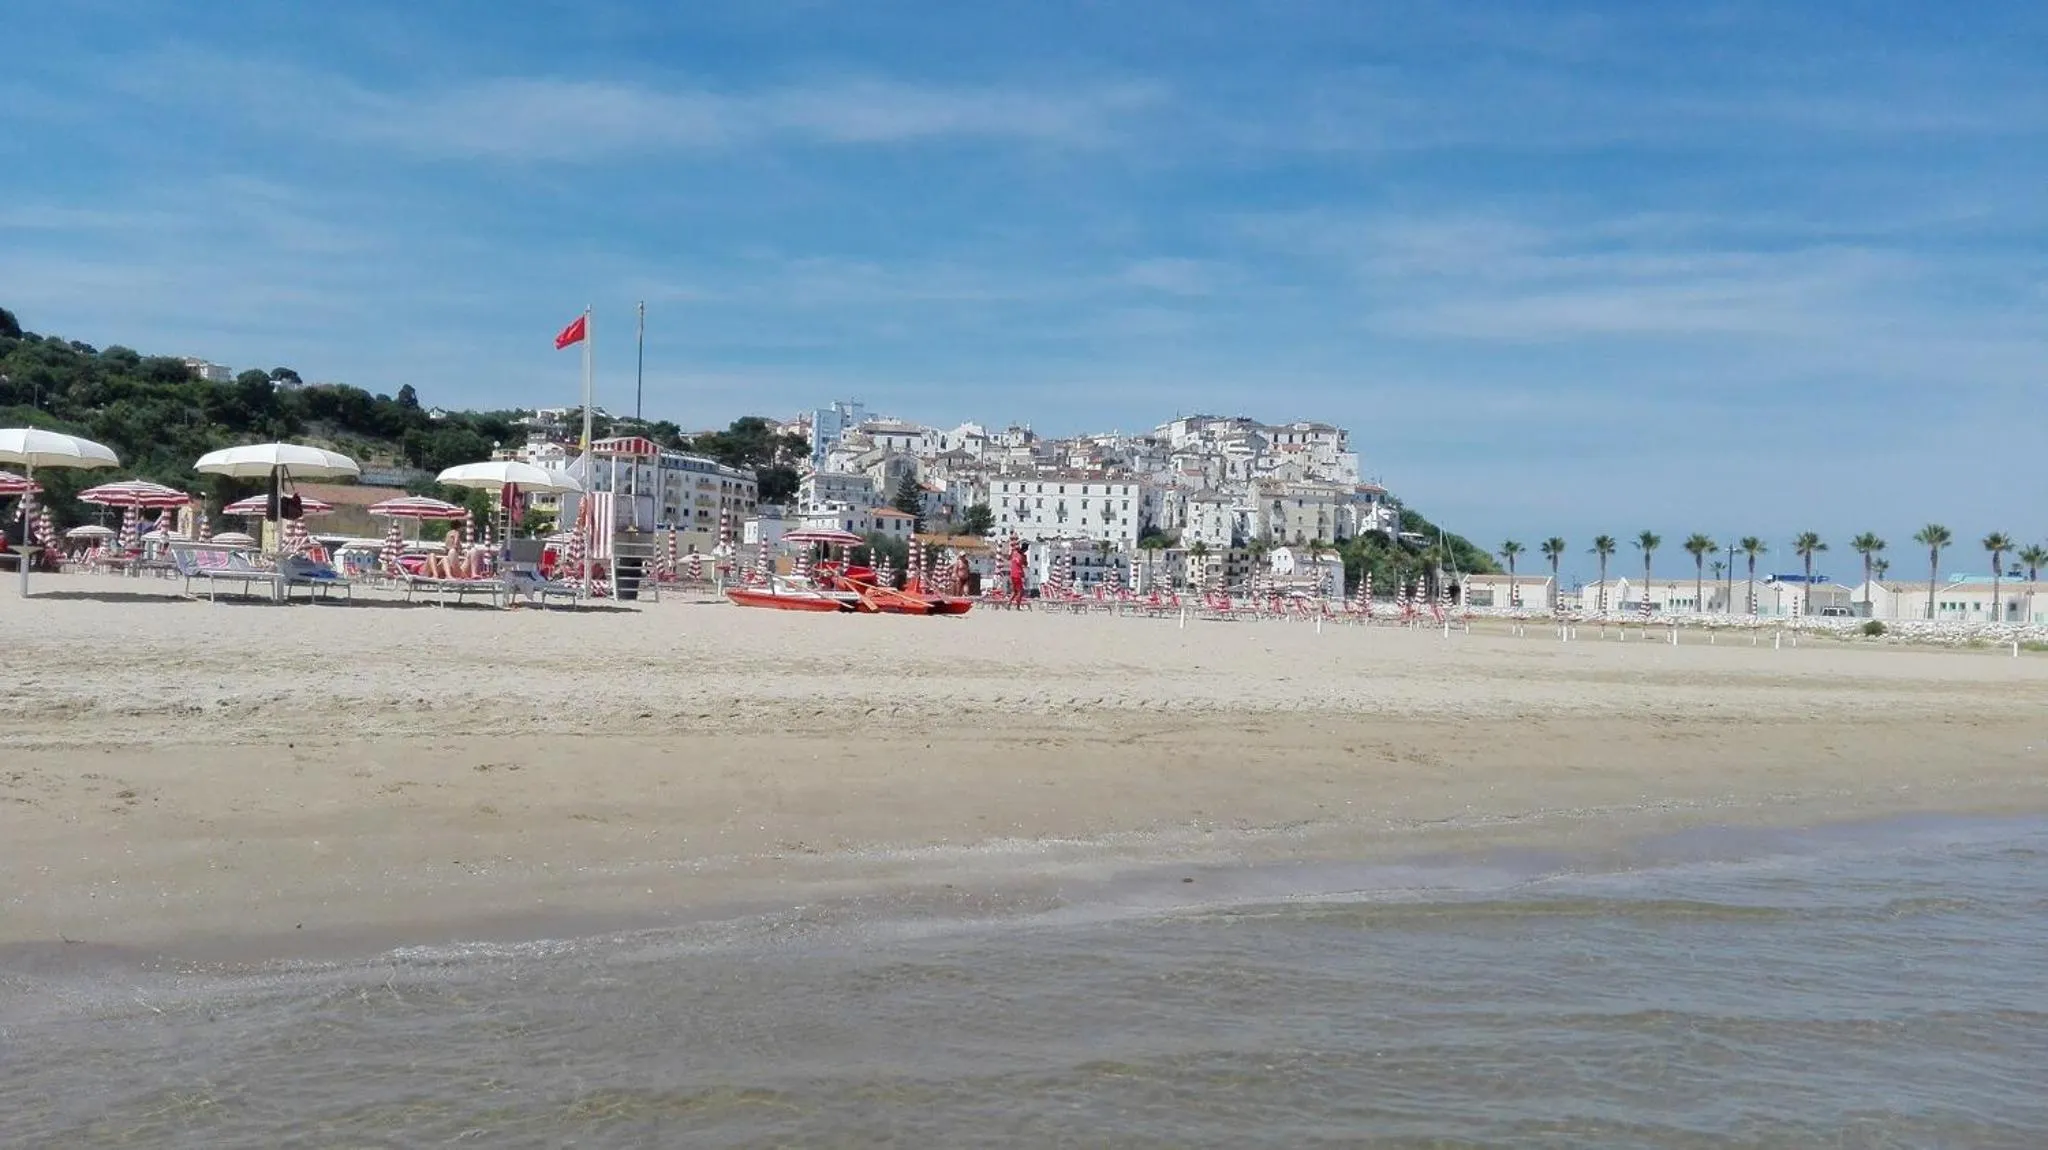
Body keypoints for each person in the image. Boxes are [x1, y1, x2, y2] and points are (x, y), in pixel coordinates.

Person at [1009, 540, 1028, 607]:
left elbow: (1009, 557)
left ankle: (1009, 603)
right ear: (1025, 549)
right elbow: (1026, 564)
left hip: (1012, 574)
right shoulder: (1023, 556)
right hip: (1018, 574)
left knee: (1014, 591)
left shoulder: (1014, 553)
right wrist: (1024, 559)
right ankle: (1018, 606)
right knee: (1020, 591)